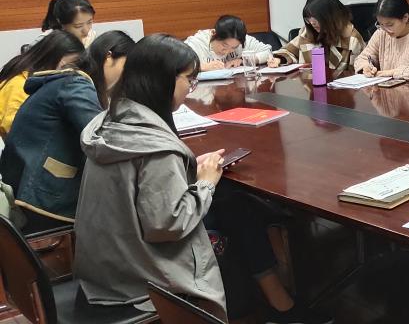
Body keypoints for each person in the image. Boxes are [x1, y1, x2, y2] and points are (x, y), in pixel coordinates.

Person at [74, 35, 332, 323]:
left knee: (234, 202)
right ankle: (279, 300)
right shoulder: (156, 148)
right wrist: (205, 182)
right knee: (238, 206)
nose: (190, 87)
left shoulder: (110, 122)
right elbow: (168, 225)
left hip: (106, 265)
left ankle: (275, 296)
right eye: (189, 79)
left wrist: (185, 170)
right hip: (139, 278)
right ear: (163, 80)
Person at [0, 31, 134, 231]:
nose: (126, 77)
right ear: (109, 57)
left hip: (28, 187)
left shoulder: (71, 82)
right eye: (127, 66)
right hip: (42, 197)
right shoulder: (75, 84)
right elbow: (102, 136)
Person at [0, 30, 84, 140]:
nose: (69, 70)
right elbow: (17, 132)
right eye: (68, 65)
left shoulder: (35, 74)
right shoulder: (18, 84)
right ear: (52, 57)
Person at [353, 0, 409, 82]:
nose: (385, 29)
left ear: (405, 17)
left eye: (390, 25)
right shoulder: (381, 33)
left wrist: (392, 72)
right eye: (380, 24)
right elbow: (361, 58)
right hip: (387, 88)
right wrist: (366, 66)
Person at [274, 0, 364, 73]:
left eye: (315, 17)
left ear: (330, 16)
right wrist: (279, 59)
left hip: (339, 85)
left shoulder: (351, 38)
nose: (311, 22)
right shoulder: (307, 32)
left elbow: (356, 73)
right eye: (308, 18)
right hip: (309, 84)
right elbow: (288, 51)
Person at [185, 15, 281, 72]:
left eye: (234, 47)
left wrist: (244, 60)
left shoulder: (241, 41)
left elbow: (268, 52)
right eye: (224, 45)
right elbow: (177, 67)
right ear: (213, 33)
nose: (227, 51)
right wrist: (201, 67)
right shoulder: (197, 43)